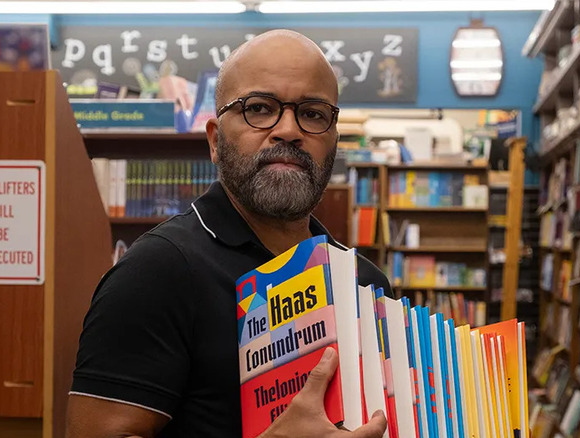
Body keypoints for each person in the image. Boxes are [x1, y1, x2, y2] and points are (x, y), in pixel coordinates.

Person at [66, 29, 391, 438]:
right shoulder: (156, 272)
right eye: (259, 108)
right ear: (216, 141)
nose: (288, 130)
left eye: (312, 113)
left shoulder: (365, 284)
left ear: (333, 141)